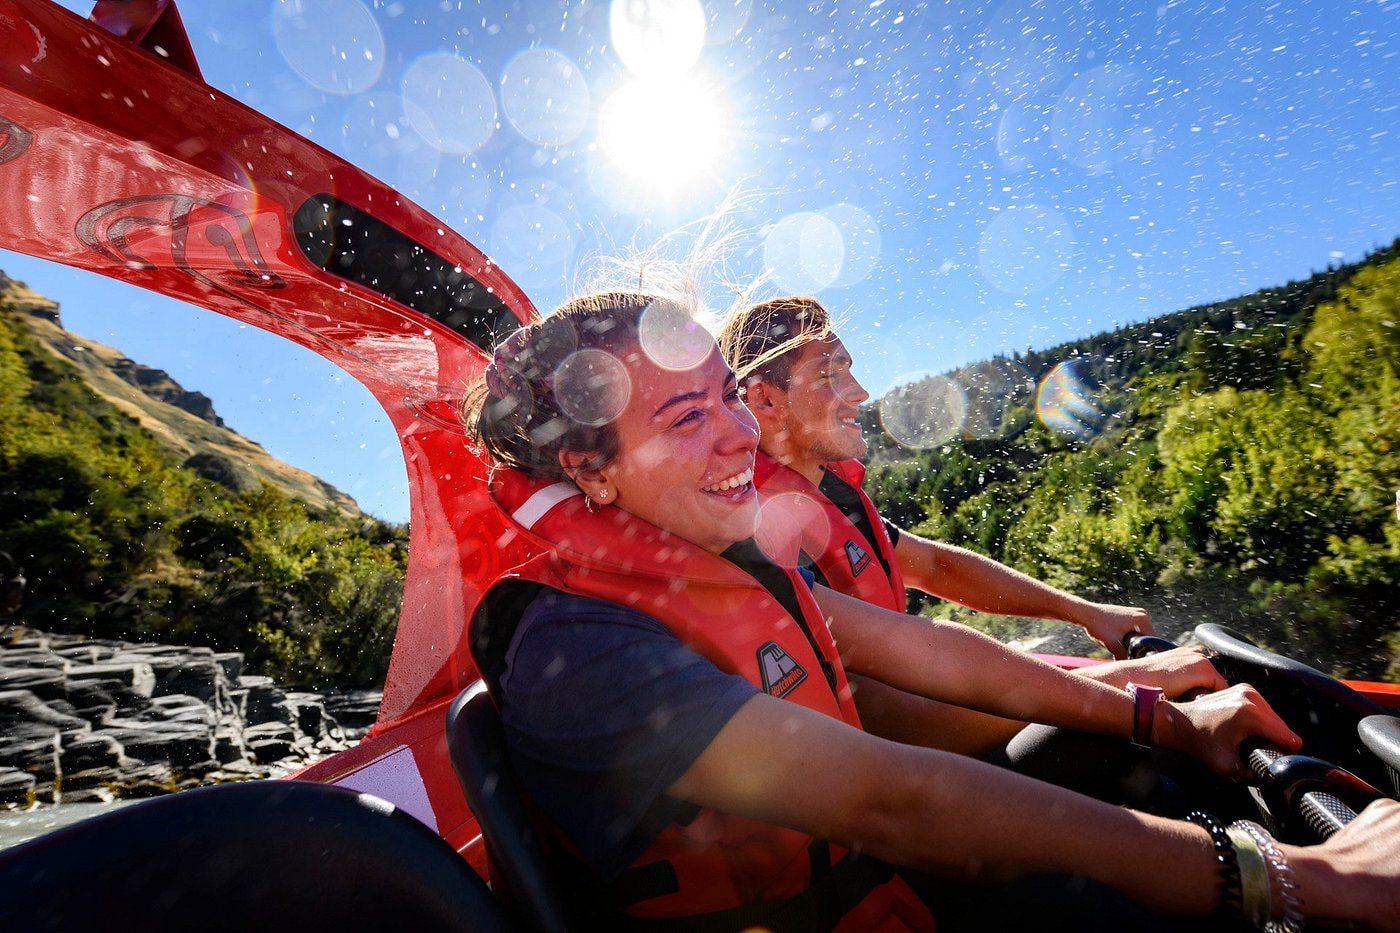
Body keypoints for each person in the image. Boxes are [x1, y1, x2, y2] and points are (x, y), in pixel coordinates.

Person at [465, 290, 1400, 931]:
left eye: (724, 400)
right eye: (686, 417)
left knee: (1130, 795)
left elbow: (939, 653)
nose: (739, 433)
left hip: (885, 898)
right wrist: (1297, 878)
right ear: (588, 469)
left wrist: (1159, 715)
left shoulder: (722, 554)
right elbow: (895, 794)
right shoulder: (578, 646)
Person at [719, 296, 1195, 756]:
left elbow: (933, 565)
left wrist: (1087, 613)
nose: (860, 392)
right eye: (830, 374)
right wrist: (1135, 689)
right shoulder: (762, 530)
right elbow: (904, 726)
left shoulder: (832, 492)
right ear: (764, 399)